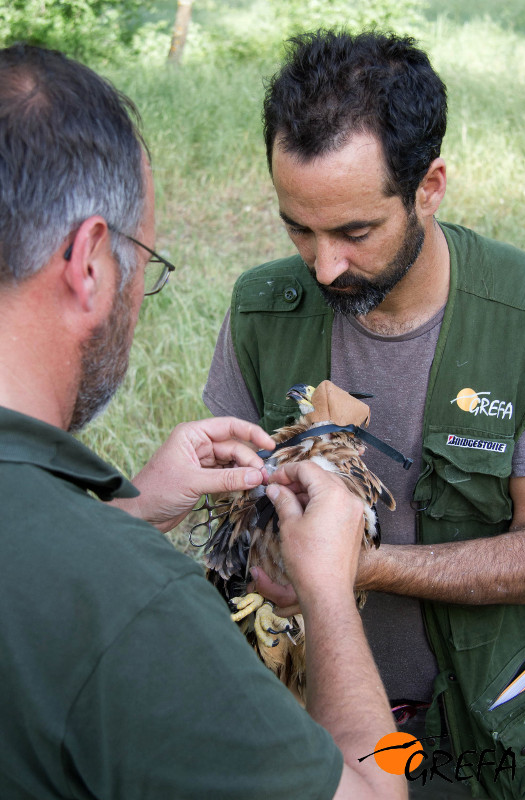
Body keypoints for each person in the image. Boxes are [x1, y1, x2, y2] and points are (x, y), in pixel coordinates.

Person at [0, 42, 407, 800]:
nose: (322, 268)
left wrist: (127, 511)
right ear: (89, 263)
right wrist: (326, 589)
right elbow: (376, 791)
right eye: (139, 259)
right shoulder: (132, 607)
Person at [203, 29, 525, 800]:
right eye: (298, 226)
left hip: (474, 737)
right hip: (298, 728)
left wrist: (359, 567)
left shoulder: (520, 323)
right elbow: (228, 509)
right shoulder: (262, 309)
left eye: (354, 232)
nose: (323, 267)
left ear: (429, 185)